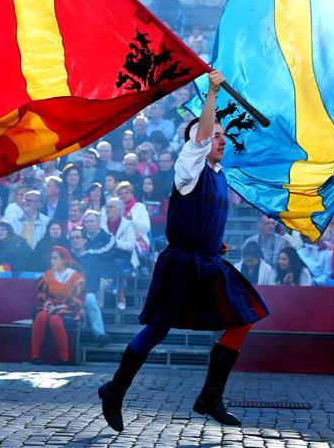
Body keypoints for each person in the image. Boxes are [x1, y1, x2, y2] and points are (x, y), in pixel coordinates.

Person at [99, 70, 269, 432]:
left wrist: (214, 241)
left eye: (223, 135)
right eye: (215, 135)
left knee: (246, 317)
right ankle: (115, 390)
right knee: (158, 330)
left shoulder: (219, 172)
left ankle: (210, 396)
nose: (221, 140)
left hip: (209, 261)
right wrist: (212, 92)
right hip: (181, 264)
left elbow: (205, 214)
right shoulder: (187, 167)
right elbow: (202, 134)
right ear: (198, 140)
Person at [32, 247, 85, 364]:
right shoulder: (48, 275)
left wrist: (62, 307)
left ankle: (64, 357)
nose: (52, 261)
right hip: (51, 307)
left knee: (55, 319)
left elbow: (78, 299)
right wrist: (49, 305)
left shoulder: (76, 277)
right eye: (51, 258)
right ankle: (35, 355)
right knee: (41, 316)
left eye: (55, 258)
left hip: (71, 310)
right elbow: (41, 295)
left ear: (64, 260)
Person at [68, 226, 110, 346]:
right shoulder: (67, 259)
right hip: (67, 294)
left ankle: (100, 335)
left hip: (86, 293)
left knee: (90, 299)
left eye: (77, 237)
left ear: (84, 240)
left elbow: (95, 284)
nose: (74, 240)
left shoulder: (92, 259)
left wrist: (81, 293)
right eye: (72, 238)